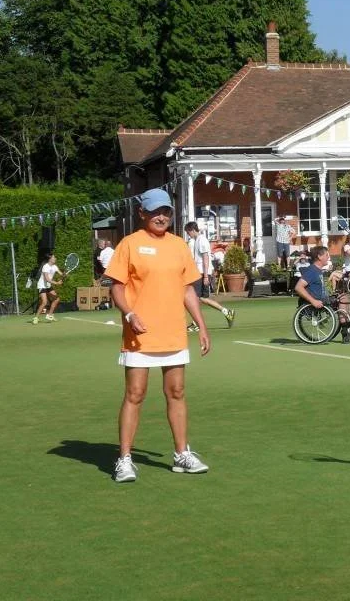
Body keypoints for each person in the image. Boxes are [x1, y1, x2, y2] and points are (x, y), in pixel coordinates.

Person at [104, 188, 211, 484]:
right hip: (140, 334)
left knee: (176, 392)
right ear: (142, 214)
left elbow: (188, 289)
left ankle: (181, 455)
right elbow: (116, 286)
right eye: (155, 212)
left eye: (166, 212)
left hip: (174, 332)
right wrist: (129, 314)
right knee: (135, 394)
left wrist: (201, 325)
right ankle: (124, 459)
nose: (161, 217)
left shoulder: (179, 246)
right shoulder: (129, 244)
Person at [295, 245, 350, 343]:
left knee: (344, 297)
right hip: (317, 301)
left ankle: (349, 330)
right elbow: (298, 287)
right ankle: (346, 332)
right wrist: (313, 301)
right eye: (327, 255)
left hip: (323, 298)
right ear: (319, 256)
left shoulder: (318, 270)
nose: (329, 257)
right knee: (343, 300)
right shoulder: (312, 271)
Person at [184, 222, 235, 330]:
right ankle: (226, 312)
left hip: (202, 273)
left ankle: (197, 323)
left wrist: (206, 276)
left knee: (197, 298)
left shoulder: (201, 240)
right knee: (201, 298)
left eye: (188, 232)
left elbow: (206, 258)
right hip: (199, 272)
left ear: (192, 230)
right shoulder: (197, 240)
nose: (188, 235)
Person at [32, 253, 63, 324]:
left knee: (56, 299)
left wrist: (64, 274)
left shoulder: (54, 266)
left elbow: (61, 274)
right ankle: (36, 318)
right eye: (54, 257)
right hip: (42, 286)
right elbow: (47, 279)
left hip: (48, 286)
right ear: (50, 259)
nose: (55, 258)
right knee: (44, 302)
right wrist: (57, 283)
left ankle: (49, 315)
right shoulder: (45, 267)